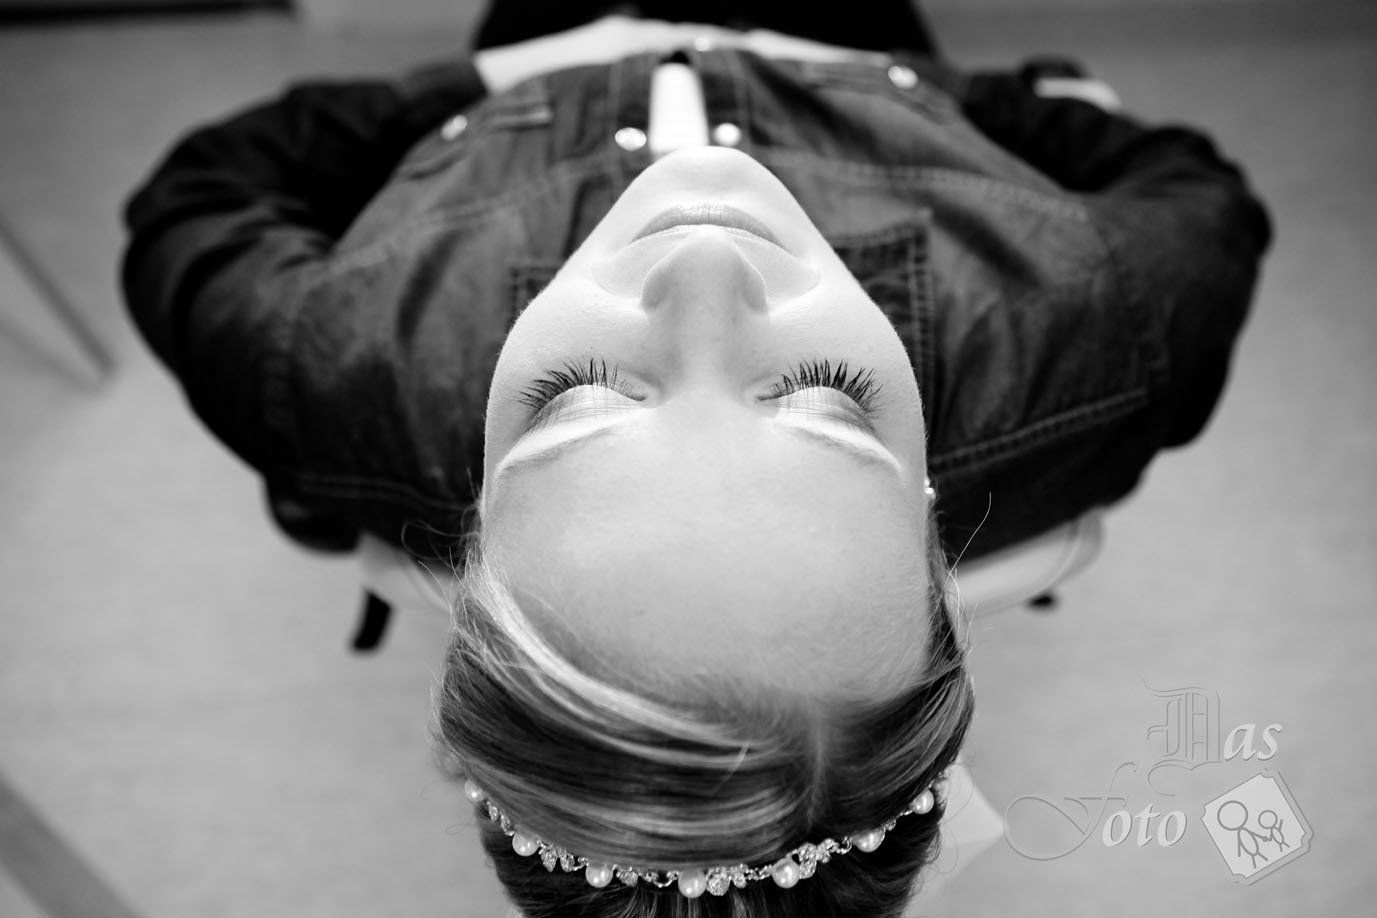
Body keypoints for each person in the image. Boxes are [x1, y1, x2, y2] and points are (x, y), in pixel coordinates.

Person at [120, 2, 1271, 915]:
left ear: (468, 544)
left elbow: (196, 196)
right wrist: (909, 83)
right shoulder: (1093, 341)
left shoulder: (336, 371)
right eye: (828, 396)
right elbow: (1196, 189)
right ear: (937, 535)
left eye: (576, 398)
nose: (704, 261)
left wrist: (499, 72)